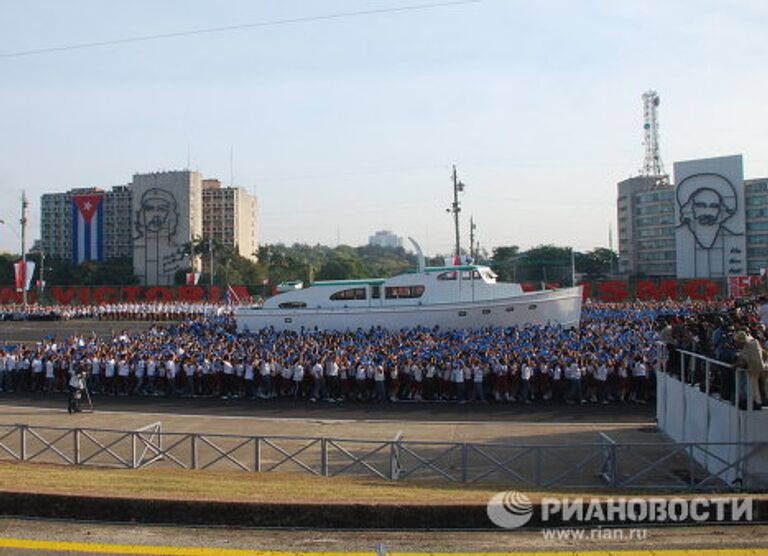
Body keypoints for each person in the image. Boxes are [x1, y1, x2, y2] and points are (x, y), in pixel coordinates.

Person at [733, 330, 765, 410]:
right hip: (760, 366)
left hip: (753, 368)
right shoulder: (754, 342)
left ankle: (755, 403)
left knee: (752, 386)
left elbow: (742, 361)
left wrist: (734, 365)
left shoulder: (747, 347)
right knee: (756, 386)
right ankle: (758, 402)